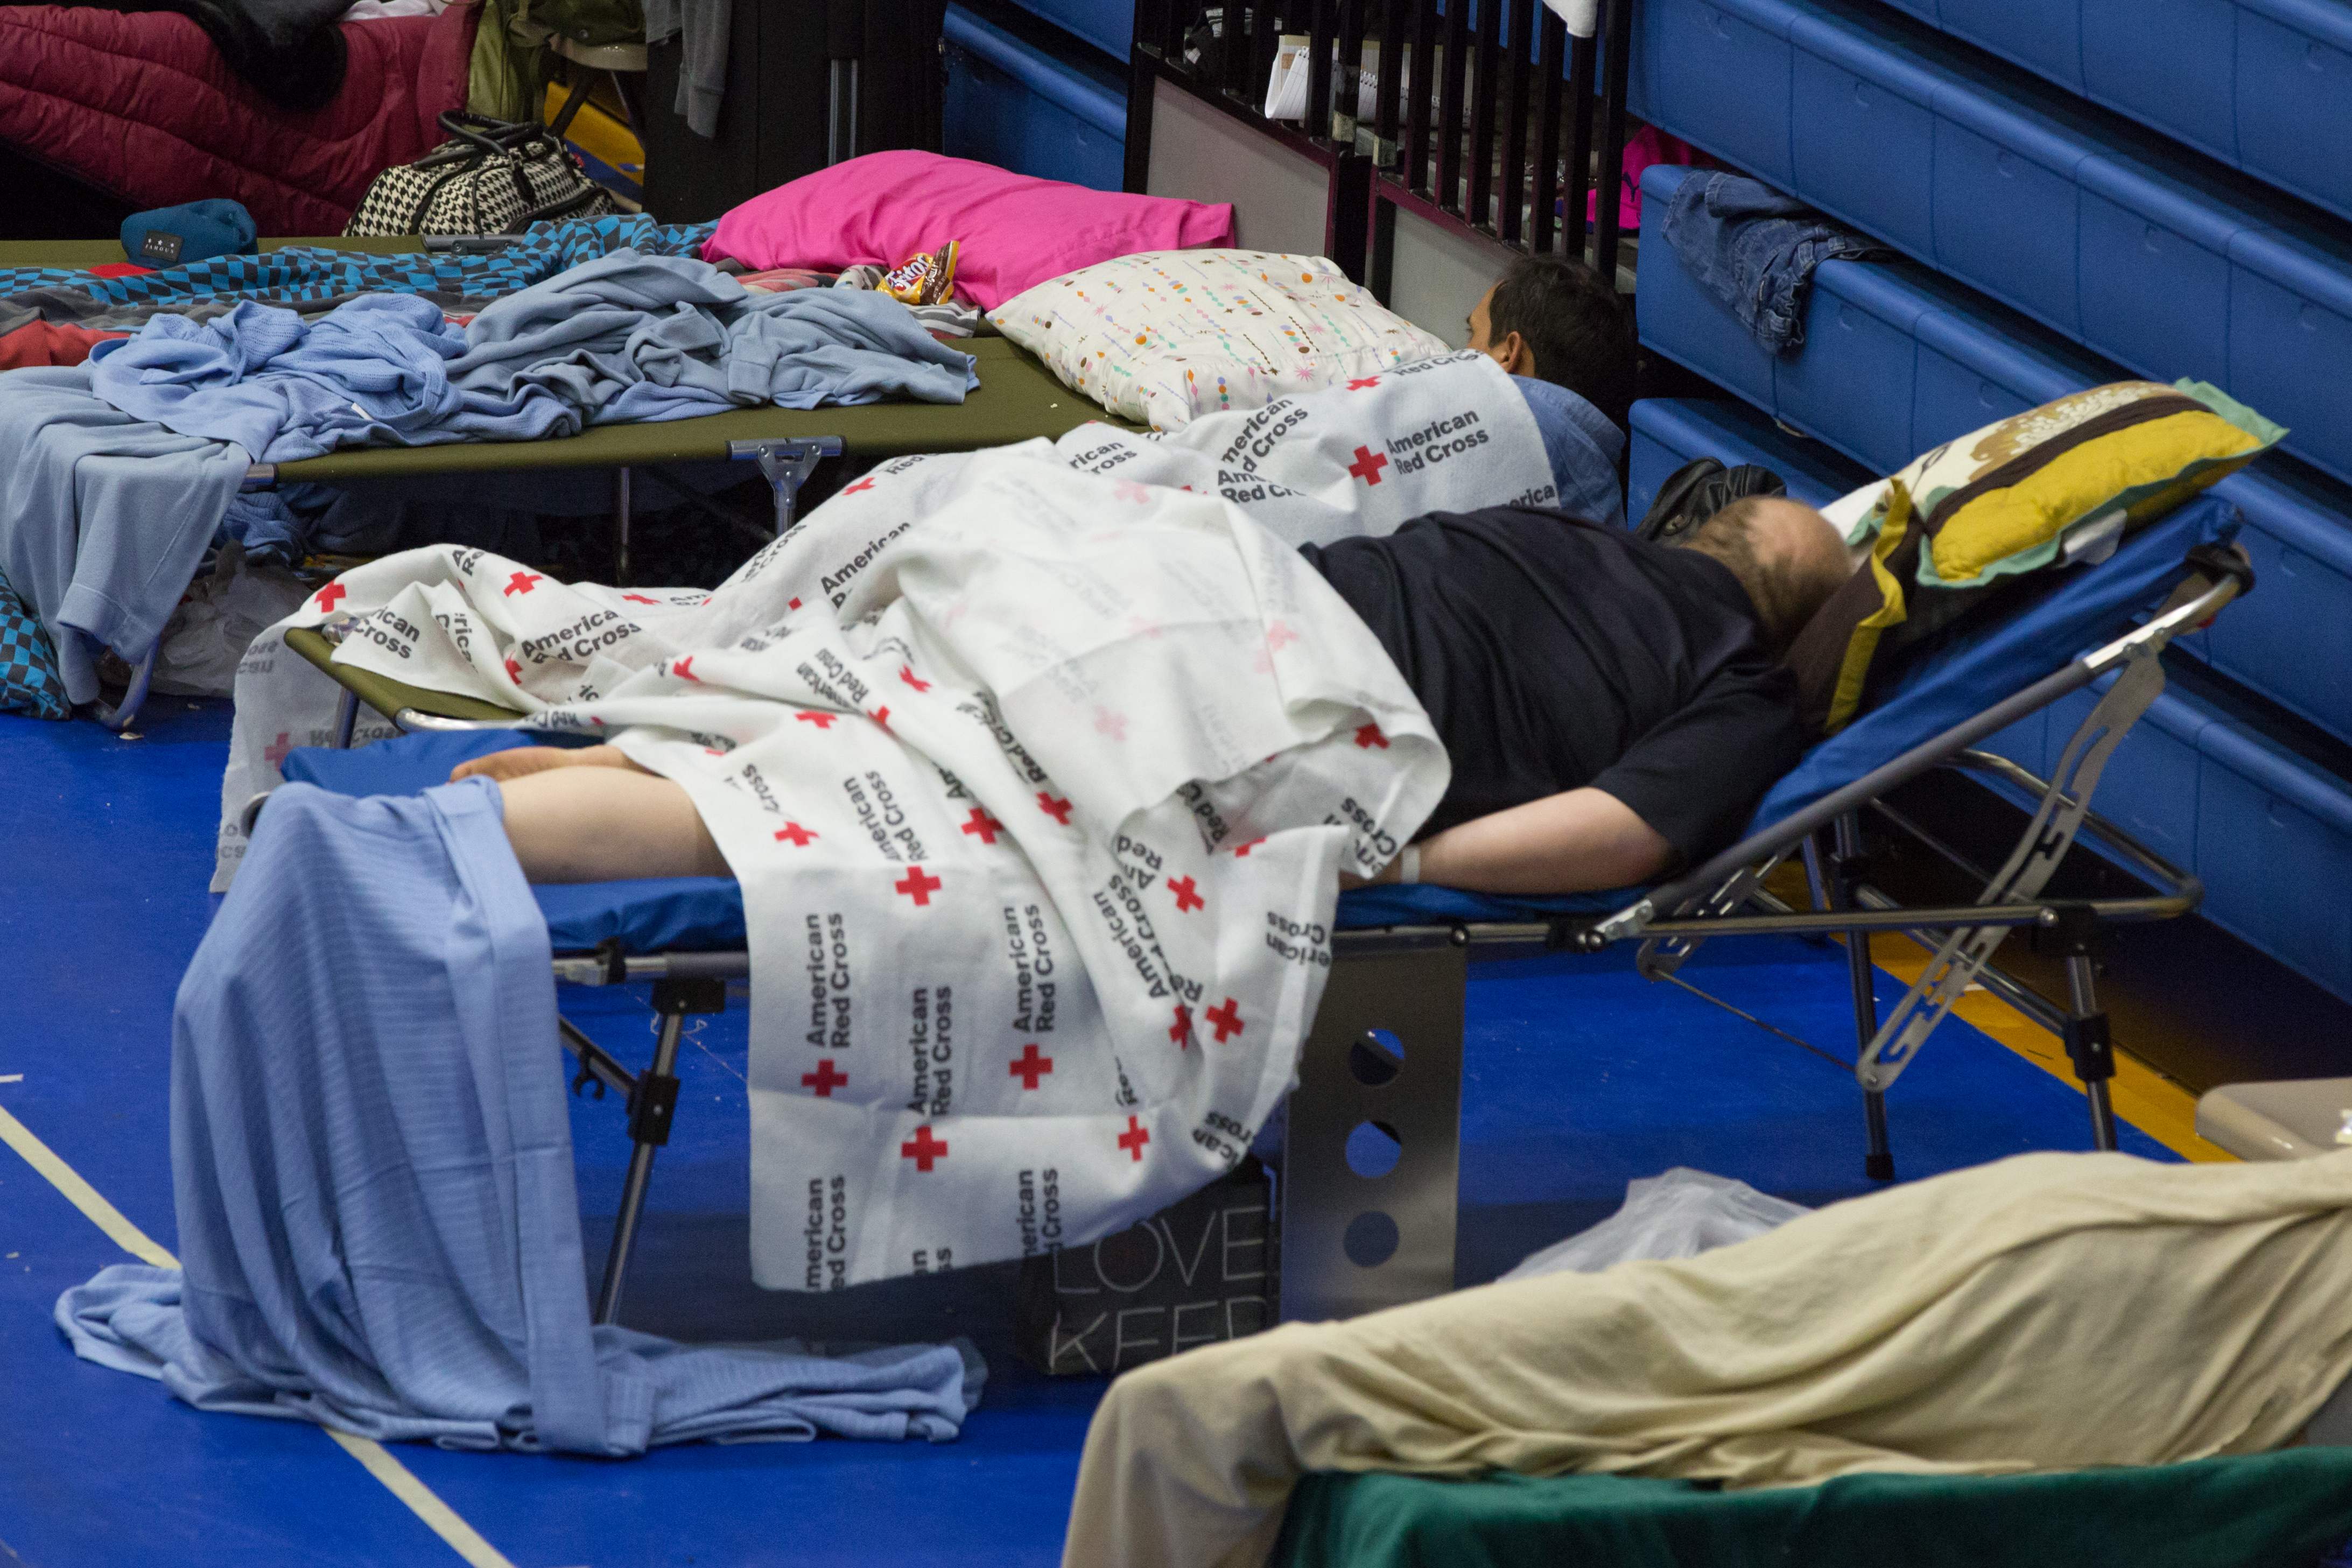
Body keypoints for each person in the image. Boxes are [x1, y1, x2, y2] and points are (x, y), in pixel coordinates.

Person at [461, 495, 1855, 897]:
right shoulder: (1741, 689)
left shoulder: (1564, 528)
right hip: (1285, 695)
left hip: (1192, 577)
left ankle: (629, 765)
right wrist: (1394, 860)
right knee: (920, 816)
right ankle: (514, 837)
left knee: (904, 705)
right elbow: (1619, 837)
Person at [1470, 256, 1638, 529]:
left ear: (1508, 354)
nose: (1458, 354)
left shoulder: (1483, 422)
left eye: (1471, 333)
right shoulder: (1597, 482)